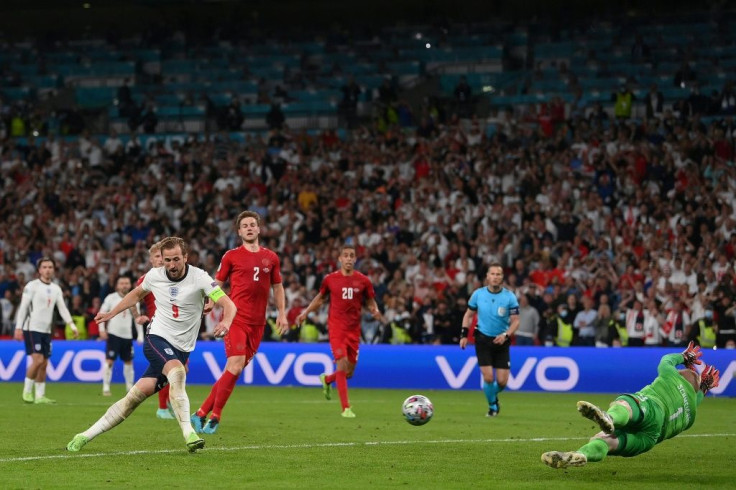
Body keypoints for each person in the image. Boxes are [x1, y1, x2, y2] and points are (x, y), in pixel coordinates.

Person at [66, 237, 237, 453]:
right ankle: (189, 433)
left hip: (182, 348)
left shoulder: (200, 277)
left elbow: (228, 304)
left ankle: (84, 435)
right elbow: (136, 294)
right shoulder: (155, 276)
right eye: (167, 260)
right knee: (177, 371)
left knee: (133, 399)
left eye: (176, 259)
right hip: (157, 338)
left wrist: (226, 321)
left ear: (186, 257)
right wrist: (111, 313)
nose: (172, 265)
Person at [541, 342, 720, 469]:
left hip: (654, 408)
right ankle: (582, 455)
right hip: (650, 438)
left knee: (626, 404)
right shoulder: (691, 415)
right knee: (607, 442)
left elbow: (666, 359)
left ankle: (610, 417)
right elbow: (697, 397)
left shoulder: (670, 375)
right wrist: (704, 387)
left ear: (680, 375)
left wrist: (684, 356)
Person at [191, 211, 288, 434]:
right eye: (245, 226)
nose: (249, 228)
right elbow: (217, 283)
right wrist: (211, 302)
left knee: (232, 371)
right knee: (234, 366)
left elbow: (277, 287)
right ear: (239, 231)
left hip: (258, 324)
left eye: (253, 225)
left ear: (259, 229)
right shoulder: (231, 256)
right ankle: (215, 416)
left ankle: (201, 413)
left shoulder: (271, 258)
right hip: (235, 319)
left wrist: (282, 313)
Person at [296, 244, 384, 418]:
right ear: (340, 259)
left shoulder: (363, 281)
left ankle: (327, 379)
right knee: (342, 365)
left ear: (355, 259)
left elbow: (370, 301)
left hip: (354, 330)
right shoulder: (330, 279)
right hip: (336, 329)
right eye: (346, 255)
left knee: (349, 372)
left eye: (352, 255)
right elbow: (320, 299)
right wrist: (305, 312)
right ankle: (346, 408)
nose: (349, 258)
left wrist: (375, 310)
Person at [14, 257, 78, 404]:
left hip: (47, 330)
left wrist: (72, 325)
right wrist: (18, 327)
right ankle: (27, 392)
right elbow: (23, 308)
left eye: (50, 267)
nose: (47, 269)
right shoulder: (32, 286)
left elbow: (62, 308)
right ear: (39, 270)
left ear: (54, 269)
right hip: (32, 328)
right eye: (44, 267)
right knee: (37, 361)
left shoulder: (56, 289)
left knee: (44, 364)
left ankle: (40, 396)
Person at [459, 263, 519, 417]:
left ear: (502, 277)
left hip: (502, 341)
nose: (495, 277)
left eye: (498, 274)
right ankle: (493, 406)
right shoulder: (478, 294)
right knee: (488, 377)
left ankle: (492, 395)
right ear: (487, 276)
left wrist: (506, 335)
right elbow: (468, 315)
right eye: (492, 274)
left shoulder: (510, 297)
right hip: (483, 339)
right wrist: (464, 335)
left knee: (502, 382)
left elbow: (516, 321)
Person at [134, 242, 176, 419]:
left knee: (177, 370)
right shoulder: (146, 279)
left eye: (163, 256)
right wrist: (138, 315)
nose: (161, 260)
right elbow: (134, 298)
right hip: (158, 331)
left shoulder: (173, 277)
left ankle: (168, 403)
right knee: (170, 368)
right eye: (157, 257)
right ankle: (162, 407)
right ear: (151, 260)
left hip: (176, 329)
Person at [99, 275, 142, 396]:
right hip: (113, 334)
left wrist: (140, 336)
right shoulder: (111, 298)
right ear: (117, 285)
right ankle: (106, 387)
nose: (124, 285)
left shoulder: (134, 298)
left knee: (129, 362)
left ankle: (129, 387)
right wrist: (101, 329)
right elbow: (102, 312)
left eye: (126, 283)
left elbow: (137, 319)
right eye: (122, 283)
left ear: (130, 285)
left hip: (127, 336)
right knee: (110, 361)